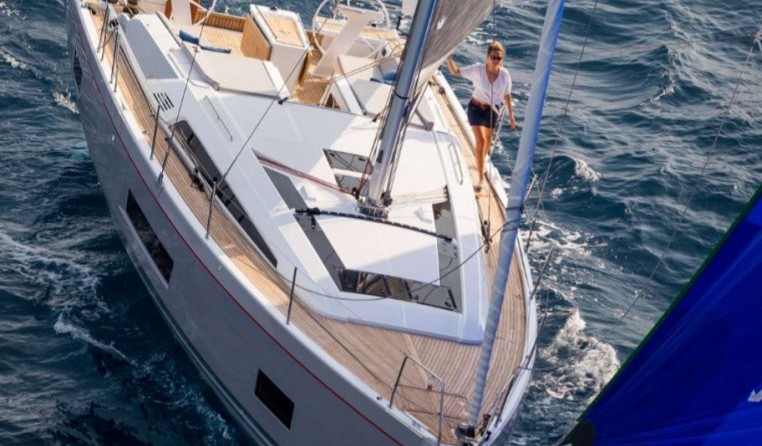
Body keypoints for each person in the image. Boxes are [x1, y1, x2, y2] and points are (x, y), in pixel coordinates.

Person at [446, 41, 516, 192]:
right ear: (487, 56)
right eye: (493, 57)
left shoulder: (505, 75)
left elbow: (507, 95)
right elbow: (456, 72)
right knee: (481, 141)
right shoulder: (478, 70)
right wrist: (449, 60)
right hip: (475, 109)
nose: (496, 60)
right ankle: (480, 179)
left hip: (492, 112)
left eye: (499, 58)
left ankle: (480, 161)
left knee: (487, 142)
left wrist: (511, 115)